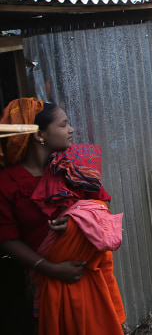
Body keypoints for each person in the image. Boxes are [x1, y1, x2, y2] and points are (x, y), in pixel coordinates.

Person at [0, 98, 126, 334]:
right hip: (47, 278)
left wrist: (77, 221)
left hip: (89, 272)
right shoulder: (8, 183)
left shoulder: (74, 167)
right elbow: (6, 238)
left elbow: (102, 206)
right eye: (63, 124)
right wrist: (50, 268)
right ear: (40, 135)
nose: (71, 130)